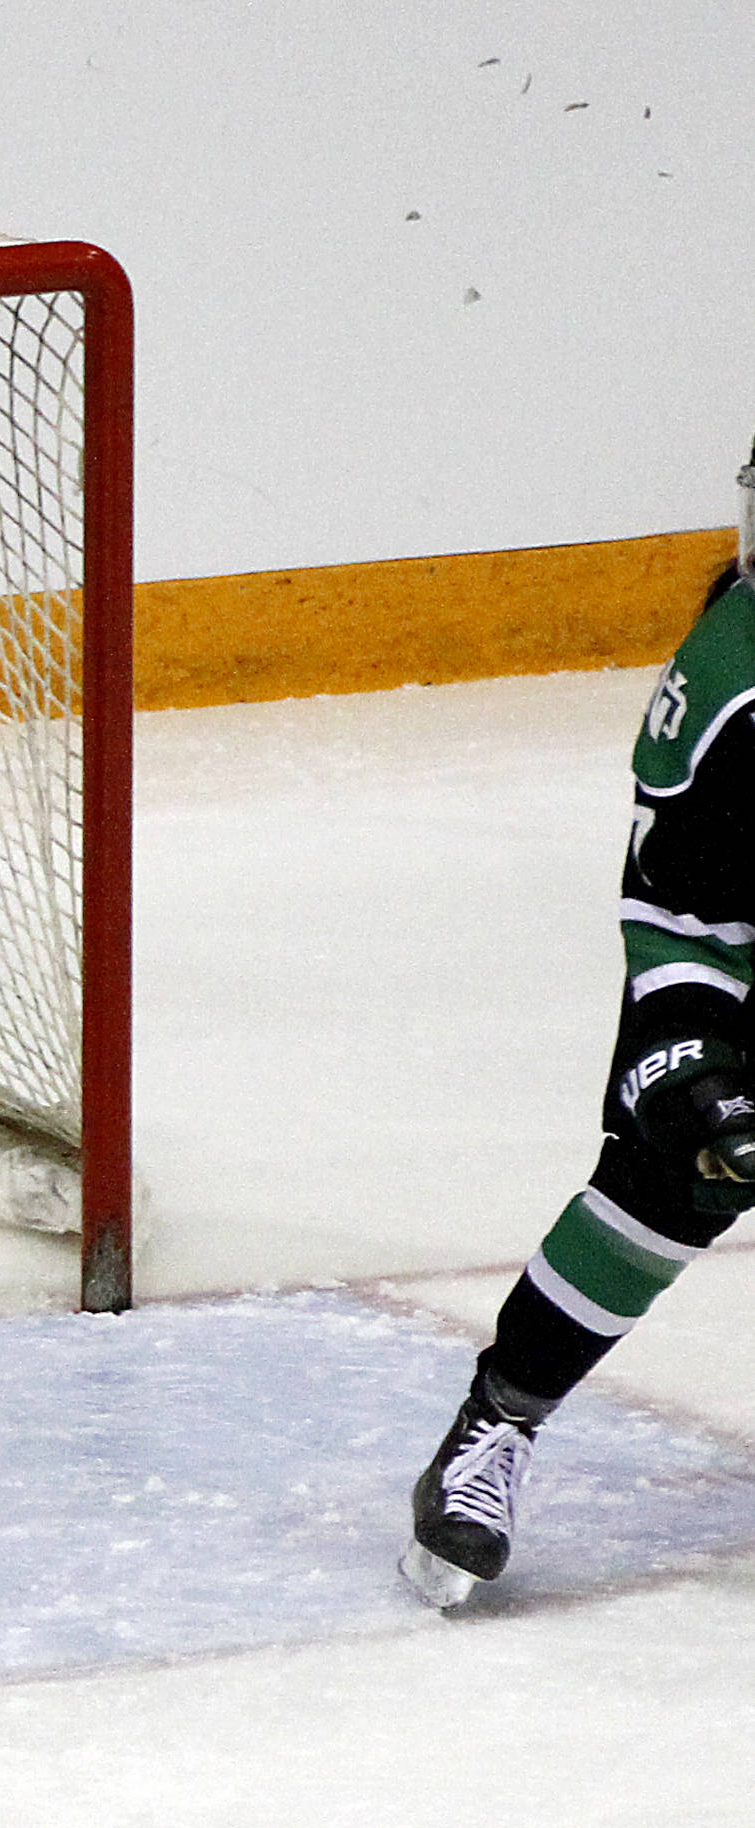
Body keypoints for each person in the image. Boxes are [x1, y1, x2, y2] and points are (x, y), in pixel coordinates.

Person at [405, 460, 755, 1604]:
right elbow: (678, 907)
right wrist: (691, 1049)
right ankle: (494, 1424)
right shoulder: (732, 681)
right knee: (668, 1177)